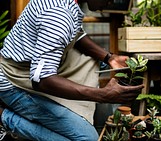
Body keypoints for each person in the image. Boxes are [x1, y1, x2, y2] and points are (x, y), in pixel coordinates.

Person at [0, 0, 144, 140]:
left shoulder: (69, 4)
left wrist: (109, 58)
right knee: (86, 138)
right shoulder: (58, 14)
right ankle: (5, 118)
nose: (112, 1)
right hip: (14, 81)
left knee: (95, 65)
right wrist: (103, 95)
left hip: (37, 68)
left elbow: (75, 33)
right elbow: (41, 80)